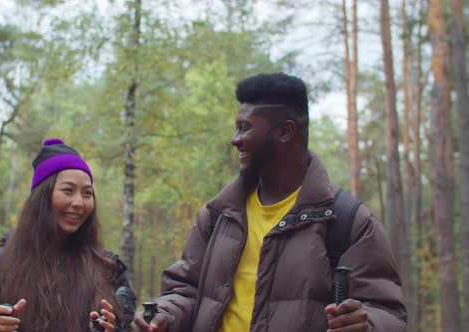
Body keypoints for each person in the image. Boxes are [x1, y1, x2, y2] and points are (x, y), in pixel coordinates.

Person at [131, 73, 406, 332]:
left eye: (245, 128)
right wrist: (165, 316)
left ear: (285, 131)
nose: (234, 139)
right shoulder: (217, 216)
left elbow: (388, 311)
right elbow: (185, 290)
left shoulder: (349, 222)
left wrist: (367, 323)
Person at [0, 138, 135, 332]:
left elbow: (127, 325)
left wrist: (116, 329)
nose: (79, 202)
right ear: (42, 197)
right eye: (68, 190)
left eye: (87, 193)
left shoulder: (108, 270)